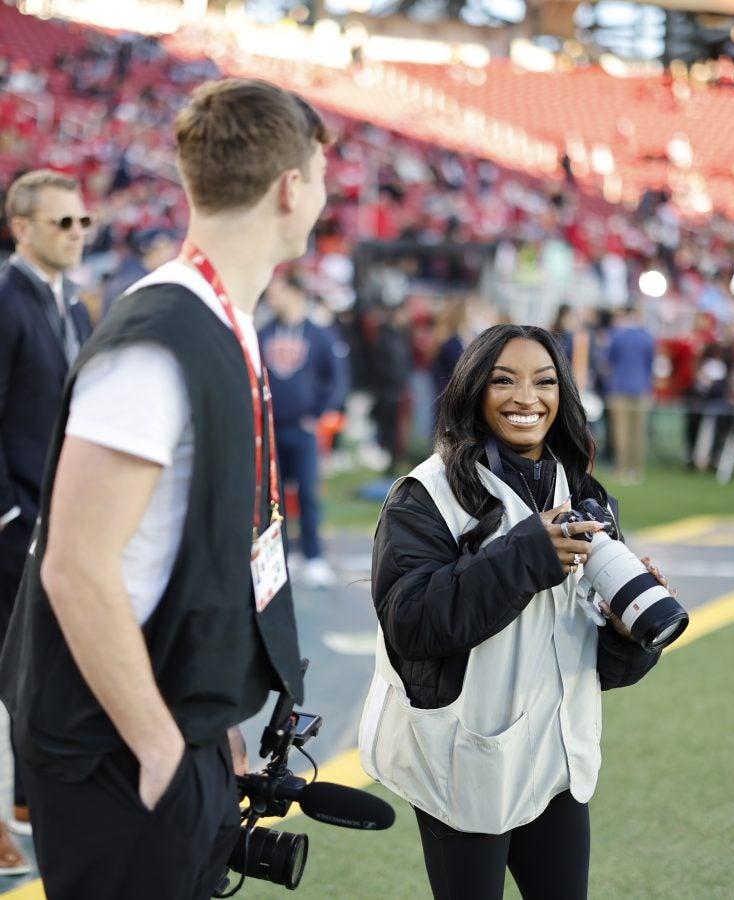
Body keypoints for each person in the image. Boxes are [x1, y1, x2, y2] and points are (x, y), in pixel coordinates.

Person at [0, 78, 324, 899]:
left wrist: (210, 725)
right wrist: (161, 749)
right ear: (291, 186)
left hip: (171, 722)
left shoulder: (218, 317)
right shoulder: (158, 336)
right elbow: (74, 565)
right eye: (321, 177)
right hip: (117, 744)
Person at [360, 324, 668, 900]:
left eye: (544, 382)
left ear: (563, 394)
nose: (526, 397)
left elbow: (595, 665)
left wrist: (627, 636)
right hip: (466, 760)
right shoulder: (425, 493)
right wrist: (526, 554)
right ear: (473, 390)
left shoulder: (583, 493)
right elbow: (413, 624)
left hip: (555, 761)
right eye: (504, 380)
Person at [0, 169, 94, 875]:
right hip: (14, 522)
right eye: (62, 222)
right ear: (23, 228)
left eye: (82, 222)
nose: (76, 233)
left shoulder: (76, 309)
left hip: (63, 521)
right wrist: (5, 512)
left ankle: (29, 796)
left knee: (41, 669)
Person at [259, 271, 349, 588]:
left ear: (296, 293)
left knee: (308, 493)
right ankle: (279, 555)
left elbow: (337, 377)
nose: (271, 297)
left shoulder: (319, 333)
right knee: (273, 497)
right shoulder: (265, 331)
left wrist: (319, 412)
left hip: (303, 428)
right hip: (272, 427)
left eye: (278, 290)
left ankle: (313, 555)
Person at [605, 305, 655, 484]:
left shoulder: (618, 336)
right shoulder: (647, 338)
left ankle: (623, 468)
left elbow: (609, 362)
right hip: (641, 389)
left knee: (622, 433)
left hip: (620, 389)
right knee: (639, 433)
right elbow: (651, 365)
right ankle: (636, 469)